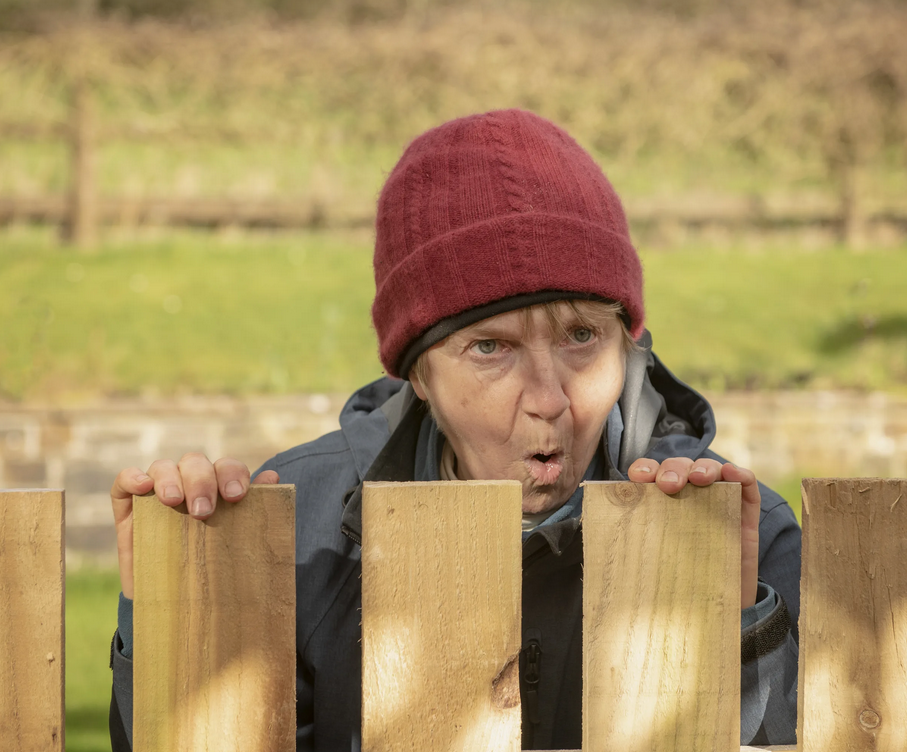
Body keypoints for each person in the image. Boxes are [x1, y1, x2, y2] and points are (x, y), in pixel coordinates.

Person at [106, 109, 801, 751]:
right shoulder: (295, 529)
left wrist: (742, 635)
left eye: (582, 335)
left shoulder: (744, 535)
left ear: (629, 347)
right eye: (490, 348)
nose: (549, 399)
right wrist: (171, 623)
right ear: (418, 375)